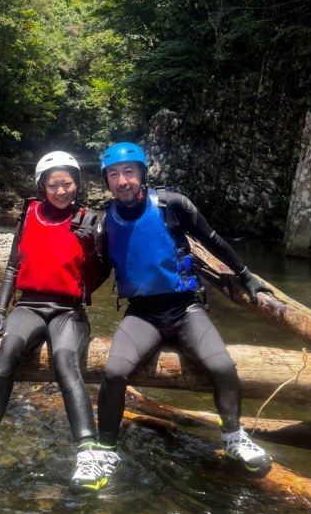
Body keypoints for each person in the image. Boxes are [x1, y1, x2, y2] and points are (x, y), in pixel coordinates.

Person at [94, 141, 273, 479]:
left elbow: (213, 239)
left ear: (142, 174)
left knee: (222, 366)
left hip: (185, 308)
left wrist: (245, 276)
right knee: (114, 372)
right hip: (141, 314)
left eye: (129, 172)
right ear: (107, 181)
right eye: (114, 175)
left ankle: (233, 435)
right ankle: (106, 449)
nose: (122, 181)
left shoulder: (170, 205)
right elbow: (101, 267)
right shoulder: (107, 220)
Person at [0, 151, 109, 490]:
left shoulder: (89, 219)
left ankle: (88, 454)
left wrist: (92, 250)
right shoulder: (28, 214)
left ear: (77, 184)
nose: (61, 191)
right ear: (42, 186)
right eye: (54, 185)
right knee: (7, 351)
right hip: (28, 306)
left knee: (64, 361)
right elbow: (13, 266)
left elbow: (102, 273)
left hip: (68, 310)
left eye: (67, 184)